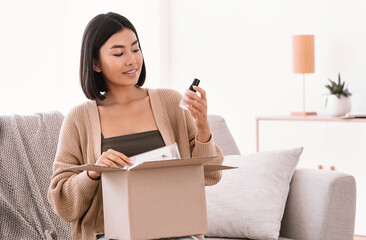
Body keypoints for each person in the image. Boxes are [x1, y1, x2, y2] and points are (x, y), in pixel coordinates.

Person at [47, 12, 223, 240]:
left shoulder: (170, 102)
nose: (132, 60)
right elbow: (63, 204)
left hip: (174, 230)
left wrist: (203, 128)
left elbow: (212, 175)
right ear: (95, 63)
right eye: (119, 53)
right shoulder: (78, 118)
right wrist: (93, 172)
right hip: (109, 235)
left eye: (136, 49)